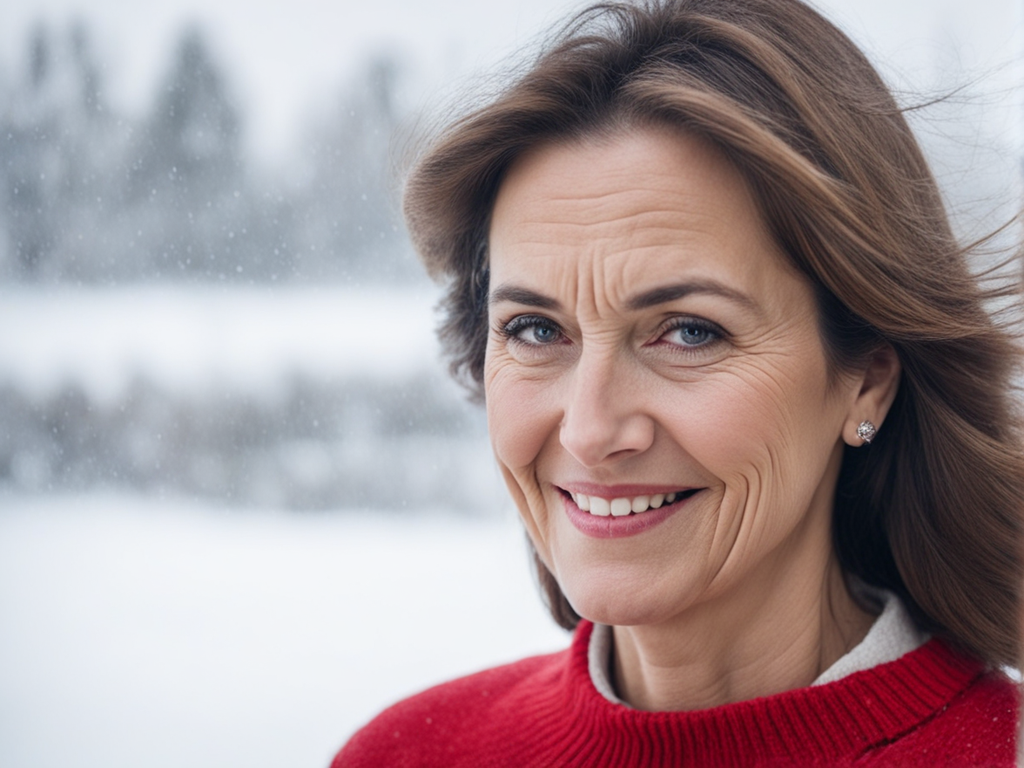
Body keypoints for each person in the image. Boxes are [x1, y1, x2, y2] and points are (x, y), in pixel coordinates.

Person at [334, 0, 1023, 764]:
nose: (590, 430)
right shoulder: (404, 755)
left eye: (690, 332)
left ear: (866, 381)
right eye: (536, 329)